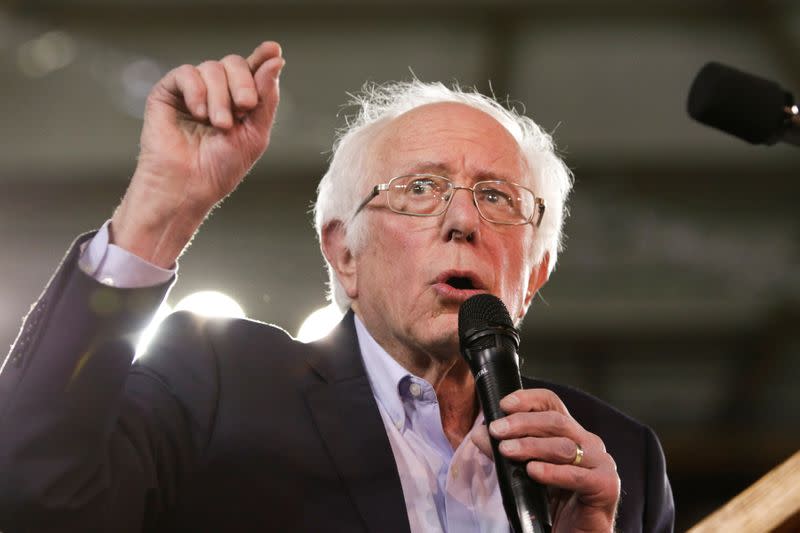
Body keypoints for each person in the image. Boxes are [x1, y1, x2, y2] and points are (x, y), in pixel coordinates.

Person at [0, 42, 674, 532]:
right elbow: (31, 491)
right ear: (343, 253)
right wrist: (156, 210)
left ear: (534, 273)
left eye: (497, 196)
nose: (463, 219)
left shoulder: (617, 460)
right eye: (419, 188)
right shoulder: (216, 383)